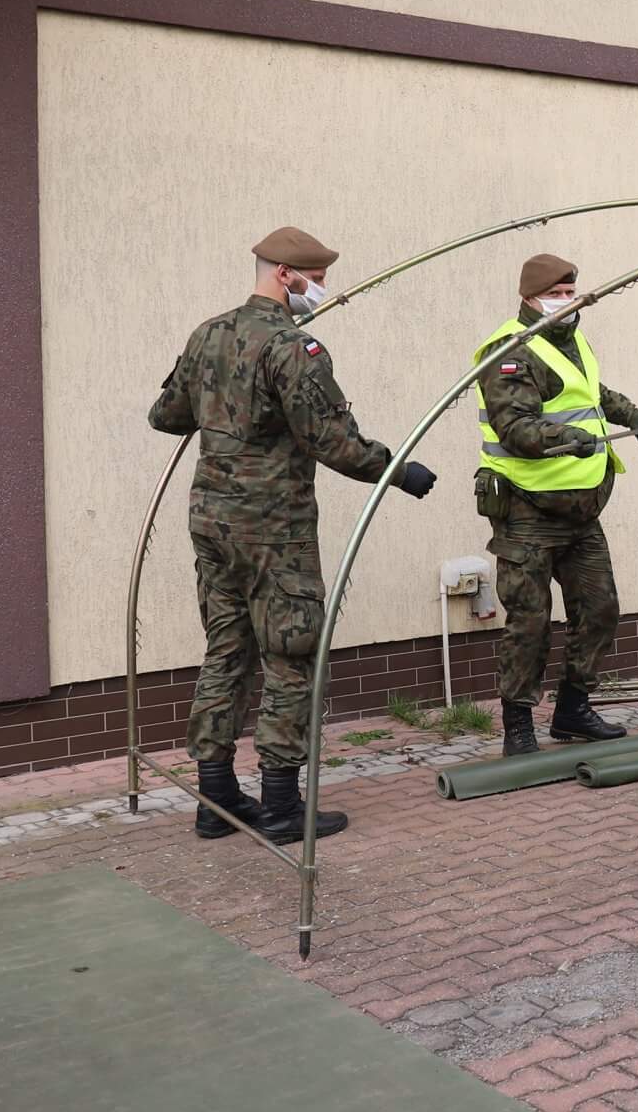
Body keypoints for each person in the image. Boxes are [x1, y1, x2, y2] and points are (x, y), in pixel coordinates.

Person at [148, 226, 438, 843]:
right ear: (286, 274)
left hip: (212, 524)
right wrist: (399, 470)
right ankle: (280, 803)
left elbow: (165, 415)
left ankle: (216, 796)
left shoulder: (208, 335)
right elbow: (330, 439)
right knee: (290, 656)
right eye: (317, 278)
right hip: (274, 531)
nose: (322, 290)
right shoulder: (294, 348)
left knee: (226, 650)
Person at [474, 254, 638, 757]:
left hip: (581, 512)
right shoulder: (508, 351)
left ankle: (573, 711)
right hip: (527, 513)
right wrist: (564, 436)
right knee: (529, 623)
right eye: (558, 293)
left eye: (572, 291)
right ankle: (518, 727)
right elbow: (515, 428)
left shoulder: (570, 340)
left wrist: (631, 412)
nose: (569, 300)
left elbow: (588, 393)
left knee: (600, 610)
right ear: (532, 298)